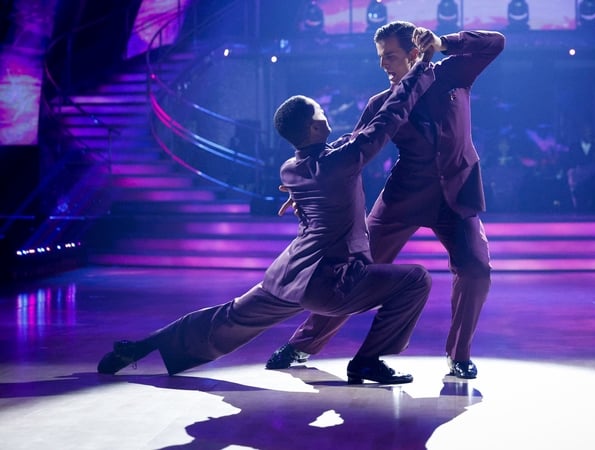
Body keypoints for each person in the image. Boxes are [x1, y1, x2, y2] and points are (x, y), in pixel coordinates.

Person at [96, 47, 437, 384]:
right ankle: (367, 361)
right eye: (321, 110)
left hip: (289, 277)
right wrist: (419, 70)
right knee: (416, 279)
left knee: (226, 318)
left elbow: (356, 138)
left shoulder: (292, 169)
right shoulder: (338, 162)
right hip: (332, 281)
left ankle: (140, 347)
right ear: (316, 127)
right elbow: (386, 121)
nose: (326, 111)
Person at [267, 22, 505, 379]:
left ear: (414, 53)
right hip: (403, 197)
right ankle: (303, 345)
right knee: (355, 274)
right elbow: (350, 148)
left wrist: (443, 43)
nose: (384, 65)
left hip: (458, 195)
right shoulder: (383, 102)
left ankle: (459, 355)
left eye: (390, 56)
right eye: (381, 58)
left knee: (476, 270)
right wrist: (307, 187)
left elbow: (495, 42)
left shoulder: (453, 74)